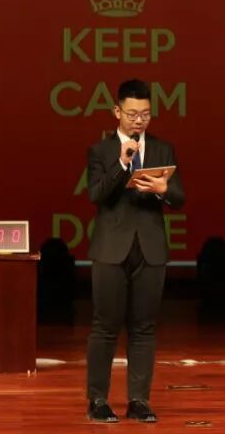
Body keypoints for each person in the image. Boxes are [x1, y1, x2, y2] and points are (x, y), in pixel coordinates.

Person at [85, 78, 186, 423]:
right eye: (132, 114)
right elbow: (96, 194)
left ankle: (139, 400)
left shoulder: (163, 148)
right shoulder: (101, 151)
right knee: (105, 326)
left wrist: (162, 189)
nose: (138, 120)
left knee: (144, 327)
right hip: (110, 248)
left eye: (144, 114)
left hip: (150, 247)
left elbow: (179, 198)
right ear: (117, 111)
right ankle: (97, 400)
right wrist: (121, 163)